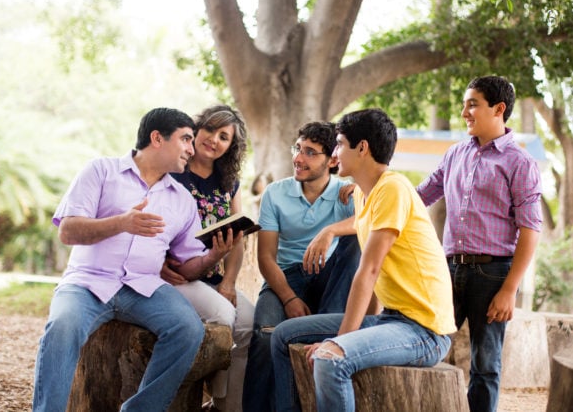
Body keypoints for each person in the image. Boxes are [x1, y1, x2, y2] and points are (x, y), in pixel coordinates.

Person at [32, 108, 237, 412]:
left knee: (188, 330)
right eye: (186, 139)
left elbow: (187, 264)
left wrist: (213, 256)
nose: (191, 150)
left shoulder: (181, 200)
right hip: (88, 282)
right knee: (62, 326)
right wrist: (121, 223)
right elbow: (68, 231)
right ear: (157, 138)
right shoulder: (101, 171)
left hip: (143, 287)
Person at [270, 108, 457, 412]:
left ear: (362, 148)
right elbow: (374, 266)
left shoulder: (393, 189)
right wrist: (330, 230)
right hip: (392, 319)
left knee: (330, 361)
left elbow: (368, 271)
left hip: (425, 332)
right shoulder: (364, 193)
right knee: (283, 335)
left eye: (340, 143)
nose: (335, 152)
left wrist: (341, 343)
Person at [416, 76, 543, 412]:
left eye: (472, 104)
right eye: (464, 104)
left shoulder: (520, 163)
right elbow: (419, 198)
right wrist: (368, 191)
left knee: (485, 366)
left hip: (493, 276)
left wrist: (510, 289)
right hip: (447, 270)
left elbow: (530, 230)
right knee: (425, 346)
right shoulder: (455, 154)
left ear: (498, 109)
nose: (464, 112)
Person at [242, 121, 362, 412]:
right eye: (298, 149)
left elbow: (374, 224)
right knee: (263, 333)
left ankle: (327, 330)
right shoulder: (275, 193)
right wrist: (289, 298)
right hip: (286, 278)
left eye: (310, 152)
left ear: (332, 159)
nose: (298, 158)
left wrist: (332, 229)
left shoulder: (348, 193)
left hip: (328, 278)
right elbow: (266, 258)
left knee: (356, 240)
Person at [160, 105, 254, 412]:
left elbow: (236, 241)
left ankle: (227, 405)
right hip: (178, 276)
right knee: (224, 317)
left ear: (231, 146)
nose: (214, 139)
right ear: (196, 130)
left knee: (250, 322)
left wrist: (228, 283)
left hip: (215, 278)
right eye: (210, 129)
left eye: (224, 136)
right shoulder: (172, 170)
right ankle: (207, 398)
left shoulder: (230, 182)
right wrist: (158, 263)